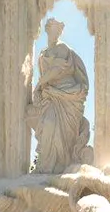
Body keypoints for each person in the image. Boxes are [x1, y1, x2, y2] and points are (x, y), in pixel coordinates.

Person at [27, 18, 93, 174]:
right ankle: (46, 165)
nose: (57, 33)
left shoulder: (63, 48)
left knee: (64, 134)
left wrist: (38, 86)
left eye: (59, 31)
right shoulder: (43, 54)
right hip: (50, 96)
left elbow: (55, 70)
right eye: (53, 30)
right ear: (48, 30)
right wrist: (42, 90)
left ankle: (62, 165)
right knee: (48, 124)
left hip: (67, 93)